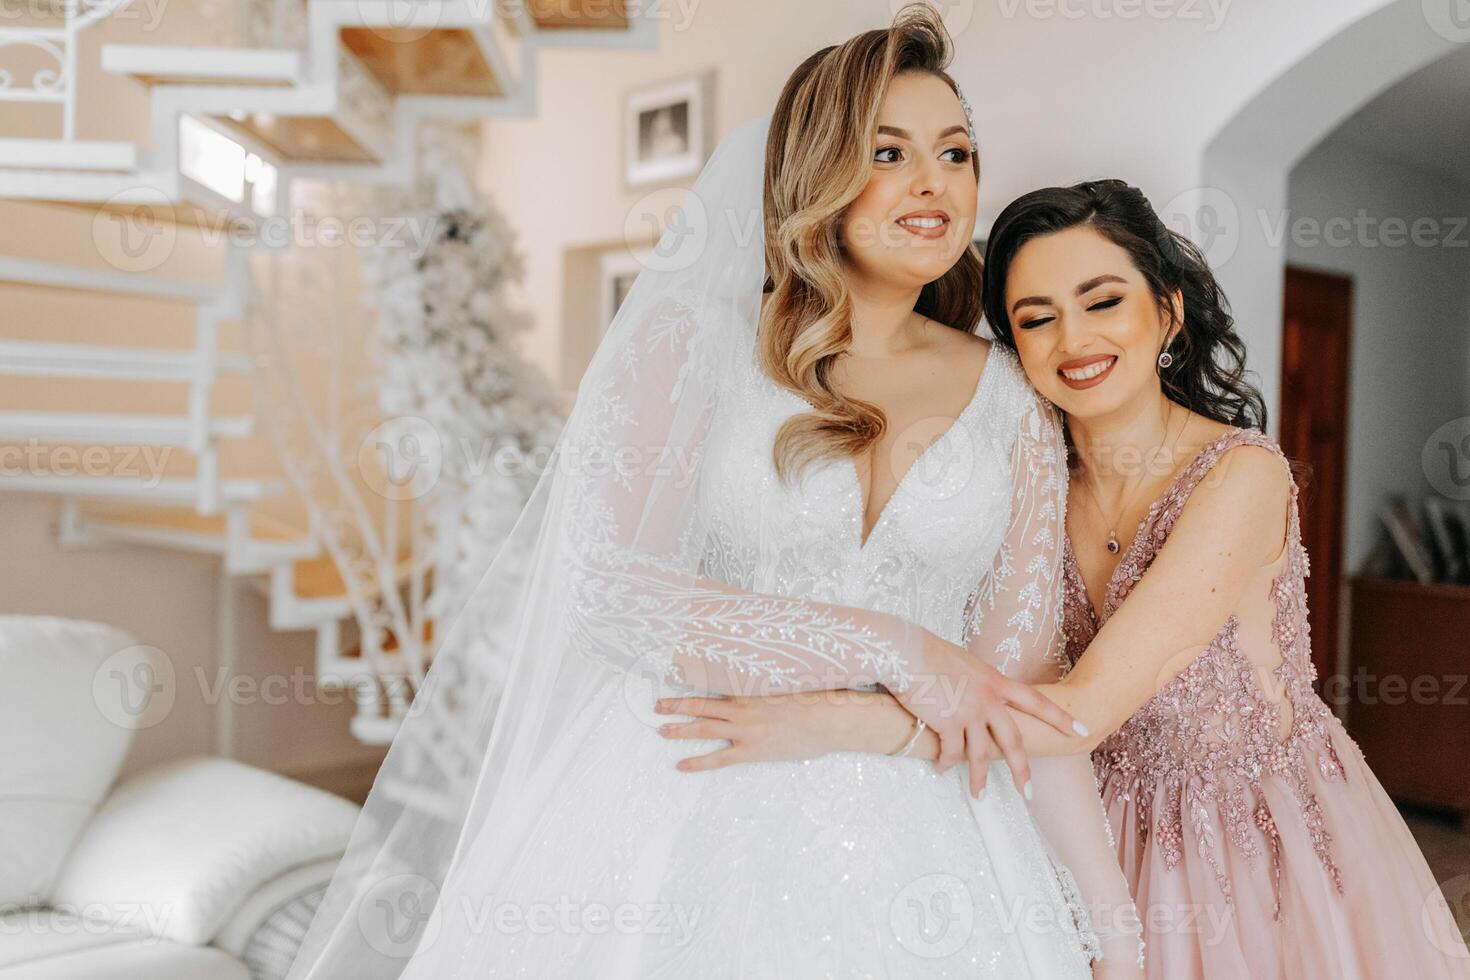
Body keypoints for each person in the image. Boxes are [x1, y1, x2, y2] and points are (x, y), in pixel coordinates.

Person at [285, 8, 1141, 979]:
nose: (933, 181)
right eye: (889, 150)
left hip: (935, 829)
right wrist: (892, 645)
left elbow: (1009, 691)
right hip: (687, 782)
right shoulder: (693, 347)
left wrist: (1113, 931)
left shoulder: (1015, 401)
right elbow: (608, 583)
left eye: (956, 152)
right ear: (817, 171)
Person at [662, 177, 1470, 978]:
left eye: (1103, 301)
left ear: (1169, 309)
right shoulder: (1024, 475)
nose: (1073, 340)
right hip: (1070, 811)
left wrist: (847, 721)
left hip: (1244, 842)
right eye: (1035, 319)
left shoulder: (1241, 477)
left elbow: (1081, 711)